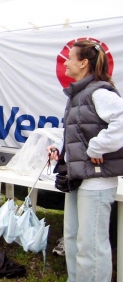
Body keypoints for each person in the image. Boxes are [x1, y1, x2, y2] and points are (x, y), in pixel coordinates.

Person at [47, 40, 123, 282]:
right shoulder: (78, 95)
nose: (66, 62)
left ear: (83, 62)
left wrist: (97, 146)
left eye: (70, 58)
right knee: (73, 238)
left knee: (91, 244)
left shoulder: (100, 92)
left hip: (97, 181)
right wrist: (61, 150)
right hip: (77, 178)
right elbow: (78, 133)